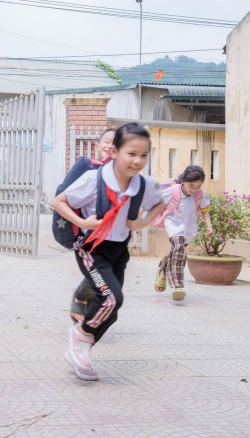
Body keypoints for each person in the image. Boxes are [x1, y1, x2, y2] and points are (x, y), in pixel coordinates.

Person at [50, 122, 164, 380]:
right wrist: (82, 223)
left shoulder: (144, 185)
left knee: (110, 311)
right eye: (131, 153)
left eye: (144, 155)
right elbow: (58, 202)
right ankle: (80, 337)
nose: (137, 161)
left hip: (119, 250)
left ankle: (81, 350)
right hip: (92, 249)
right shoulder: (94, 179)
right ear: (113, 151)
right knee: (111, 298)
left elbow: (160, 203)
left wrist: (143, 222)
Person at [69, 128, 115, 324]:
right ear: (97, 147)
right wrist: (81, 223)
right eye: (107, 141)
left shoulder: (126, 178)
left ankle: (86, 304)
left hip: (114, 241)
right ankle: (81, 300)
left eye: (116, 142)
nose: (111, 145)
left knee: (107, 278)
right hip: (90, 240)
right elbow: (62, 202)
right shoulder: (90, 174)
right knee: (101, 279)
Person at [154, 165, 213, 302]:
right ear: (183, 181)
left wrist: (209, 227)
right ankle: (178, 286)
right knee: (179, 249)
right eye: (191, 186)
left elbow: (205, 210)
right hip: (173, 224)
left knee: (176, 250)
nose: (194, 190)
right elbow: (155, 202)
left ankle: (162, 271)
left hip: (189, 227)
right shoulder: (173, 191)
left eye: (198, 186)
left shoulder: (201, 194)